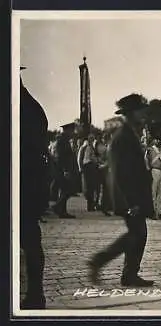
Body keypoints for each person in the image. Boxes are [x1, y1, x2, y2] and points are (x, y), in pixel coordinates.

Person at [87, 93, 155, 287]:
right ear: (131, 113)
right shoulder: (122, 137)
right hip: (129, 198)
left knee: (138, 234)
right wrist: (131, 202)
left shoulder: (128, 134)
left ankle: (128, 274)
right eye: (140, 111)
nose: (143, 114)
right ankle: (102, 262)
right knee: (136, 233)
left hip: (133, 197)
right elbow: (121, 173)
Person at [20, 68, 48, 309]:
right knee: (30, 241)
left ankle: (35, 294)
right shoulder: (33, 107)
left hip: (23, 184)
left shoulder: (26, 108)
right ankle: (35, 294)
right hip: (28, 187)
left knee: (29, 241)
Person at [52, 122, 78, 219]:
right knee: (68, 189)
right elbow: (61, 157)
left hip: (64, 169)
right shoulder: (62, 140)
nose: (73, 132)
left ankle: (62, 211)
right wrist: (65, 170)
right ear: (67, 130)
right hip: (63, 169)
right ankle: (58, 207)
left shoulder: (64, 140)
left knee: (65, 190)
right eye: (72, 130)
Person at [145, 137, 161, 220]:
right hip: (154, 170)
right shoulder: (150, 150)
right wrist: (148, 171)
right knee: (153, 192)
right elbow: (146, 160)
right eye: (156, 139)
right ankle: (153, 211)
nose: (158, 141)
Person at [78, 133, 99, 212]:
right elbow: (80, 158)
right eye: (91, 138)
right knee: (88, 187)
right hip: (87, 167)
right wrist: (80, 168)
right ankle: (90, 205)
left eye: (93, 139)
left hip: (91, 167)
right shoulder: (84, 147)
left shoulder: (91, 147)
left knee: (91, 187)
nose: (92, 140)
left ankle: (91, 205)